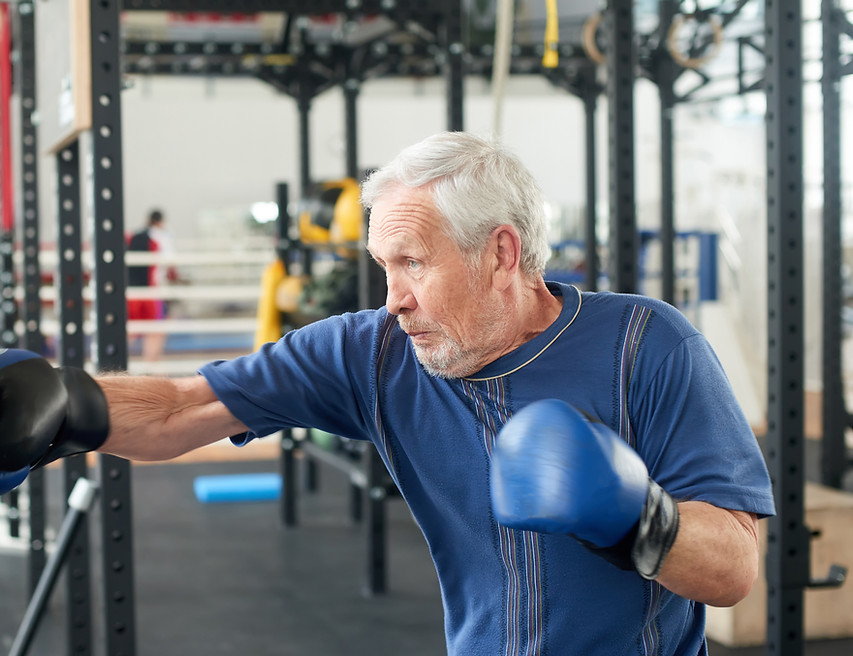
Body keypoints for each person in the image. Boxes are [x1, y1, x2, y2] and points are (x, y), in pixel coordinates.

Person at [0, 132, 774, 655]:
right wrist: (67, 404)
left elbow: (735, 568)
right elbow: (179, 409)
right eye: (382, 265)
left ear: (500, 252)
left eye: (411, 262)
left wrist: (631, 514)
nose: (393, 296)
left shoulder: (647, 346)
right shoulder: (372, 349)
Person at [127, 209, 178, 362]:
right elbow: (171, 263)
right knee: (156, 330)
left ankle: (111, 365)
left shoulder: (134, 235)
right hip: (152, 292)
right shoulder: (162, 237)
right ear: (161, 221)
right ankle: (151, 367)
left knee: (131, 331)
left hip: (131, 292)